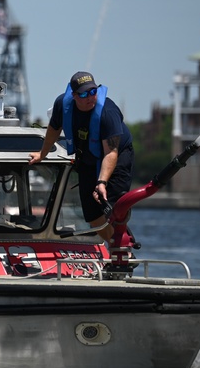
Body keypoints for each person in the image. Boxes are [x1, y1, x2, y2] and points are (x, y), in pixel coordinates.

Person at [29, 71, 133, 243]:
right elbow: (54, 130)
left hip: (117, 155)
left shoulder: (108, 112)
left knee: (111, 208)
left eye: (93, 92)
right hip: (89, 156)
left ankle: (124, 250)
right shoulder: (62, 105)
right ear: (74, 95)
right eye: (84, 94)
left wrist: (101, 183)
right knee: (92, 215)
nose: (90, 97)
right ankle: (115, 245)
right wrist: (42, 154)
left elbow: (111, 152)